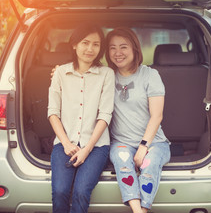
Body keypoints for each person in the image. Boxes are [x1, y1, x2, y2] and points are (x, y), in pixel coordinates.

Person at [47, 24, 115, 213]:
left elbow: (105, 114)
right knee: (60, 191)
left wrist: (87, 149)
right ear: (75, 44)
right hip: (64, 143)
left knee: (80, 192)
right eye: (85, 43)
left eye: (96, 44)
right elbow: (53, 112)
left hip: (97, 146)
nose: (90, 49)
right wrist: (67, 144)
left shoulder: (107, 74)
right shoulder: (60, 73)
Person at [105, 27, 171, 213]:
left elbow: (157, 116)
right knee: (123, 164)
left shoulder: (150, 75)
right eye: (112, 48)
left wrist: (143, 146)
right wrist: (58, 71)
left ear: (135, 49)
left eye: (123, 47)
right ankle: (138, 210)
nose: (118, 53)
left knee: (148, 168)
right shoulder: (106, 76)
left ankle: (143, 209)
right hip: (122, 143)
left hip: (154, 143)